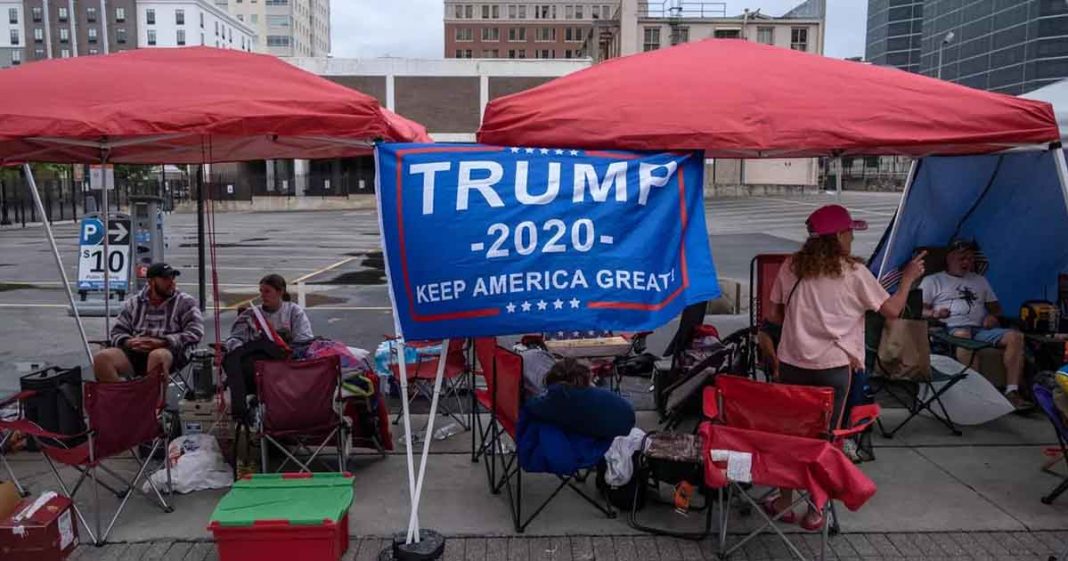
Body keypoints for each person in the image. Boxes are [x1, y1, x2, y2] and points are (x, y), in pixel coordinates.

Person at [766, 204, 925, 531]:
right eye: (850, 232)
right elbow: (893, 310)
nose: (852, 238)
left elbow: (773, 316)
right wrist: (908, 278)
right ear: (838, 236)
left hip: (792, 364)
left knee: (793, 435)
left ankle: (784, 501)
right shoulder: (854, 274)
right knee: (824, 439)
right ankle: (815, 508)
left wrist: (801, 325)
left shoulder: (792, 266)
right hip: (833, 369)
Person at [919, 239, 1033, 411]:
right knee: (964, 336)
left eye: (970, 259)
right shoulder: (933, 281)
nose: (967, 262)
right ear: (950, 257)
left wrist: (993, 316)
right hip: (949, 329)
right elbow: (918, 310)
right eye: (962, 258)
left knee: (1015, 336)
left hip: (980, 329)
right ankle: (977, 392)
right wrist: (934, 313)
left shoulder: (980, 280)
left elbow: (996, 308)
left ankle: (1012, 391)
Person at [222, 274, 314, 419]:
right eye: (261, 291)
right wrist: (239, 345)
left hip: (284, 363)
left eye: (267, 291)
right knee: (235, 358)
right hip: (257, 366)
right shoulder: (250, 314)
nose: (263, 296)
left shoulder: (293, 311)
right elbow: (234, 338)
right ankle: (242, 409)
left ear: (280, 292)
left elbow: (305, 339)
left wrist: (283, 339)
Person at [93, 263, 203, 383]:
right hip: (135, 350)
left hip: (169, 350)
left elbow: (196, 332)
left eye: (173, 278)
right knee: (102, 358)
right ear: (151, 282)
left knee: (157, 356)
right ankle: (123, 396)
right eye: (166, 279)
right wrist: (128, 341)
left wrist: (164, 341)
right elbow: (117, 331)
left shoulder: (185, 302)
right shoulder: (133, 303)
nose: (171, 282)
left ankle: (153, 400)